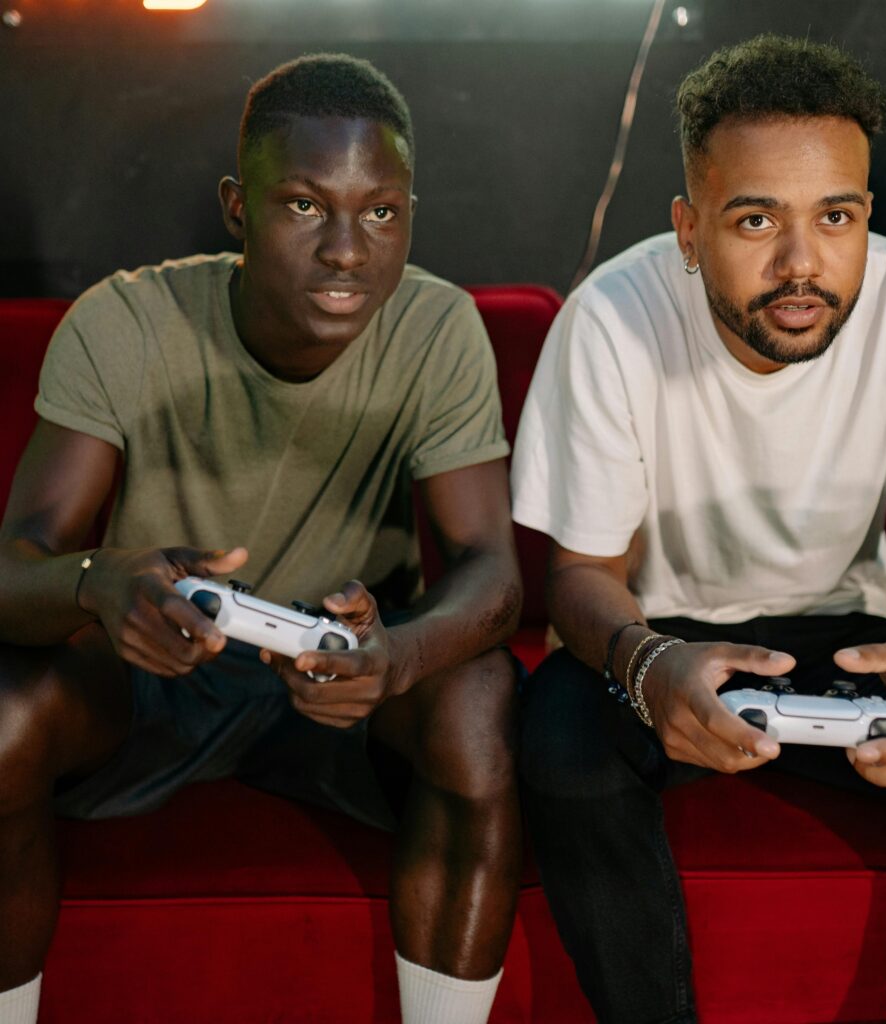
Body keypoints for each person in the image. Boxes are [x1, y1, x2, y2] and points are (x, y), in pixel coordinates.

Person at [511, 34, 886, 1024]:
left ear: (867, 215)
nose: (802, 263)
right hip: (660, 632)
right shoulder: (611, 317)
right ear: (689, 229)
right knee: (561, 747)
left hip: (851, 634)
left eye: (836, 217)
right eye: (756, 220)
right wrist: (652, 667)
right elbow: (580, 578)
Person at [0, 54, 523, 1024]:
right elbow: (13, 570)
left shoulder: (437, 325)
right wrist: (102, 583)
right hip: (152, 665)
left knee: (479, 697)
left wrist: (398, 652)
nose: (346, 249)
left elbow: (492, 571)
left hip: (342, 677)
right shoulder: (127, 319)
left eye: (381, 211)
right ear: (239, 208)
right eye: (303, 205)